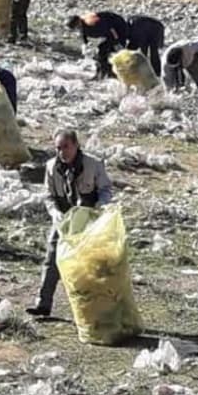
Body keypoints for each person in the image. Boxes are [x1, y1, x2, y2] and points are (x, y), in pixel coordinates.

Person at [28, 129, 114, 318]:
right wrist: (55, 213)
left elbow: (106, 190)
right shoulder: (51, 167)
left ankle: (95, 309)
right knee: (51, 258)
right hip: (64, 219)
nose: (62, 152)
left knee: (90, 265)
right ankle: (43, 304)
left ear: (76, 145)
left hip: (88, 221)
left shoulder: (93, 164)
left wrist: (99, 207)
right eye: (58, 148)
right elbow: (48, 196)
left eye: (66, 147)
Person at [66, 12, 129, 80]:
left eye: (76, 27)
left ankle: (111, 73)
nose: (76, 30)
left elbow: (111, 29)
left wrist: (117, 43)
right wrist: (85, 44)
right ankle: (102, 72)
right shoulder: (82, 25)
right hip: (109, 29)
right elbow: (83, 33)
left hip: (118, 27)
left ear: (78, 22)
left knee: (105, 50)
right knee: (101, 52)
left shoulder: (91, 23)